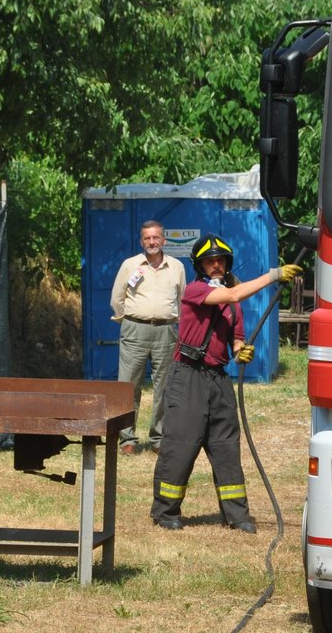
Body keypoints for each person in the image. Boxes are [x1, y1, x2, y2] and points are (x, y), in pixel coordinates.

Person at [150, 236, 301, 532]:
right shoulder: (196, 290)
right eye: (210, 261)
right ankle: (165, 512)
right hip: (188, 376)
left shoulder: (234, 306)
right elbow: (232, 296)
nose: (216, 265)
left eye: (220, 260)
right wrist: (273, 276)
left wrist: (240, 350)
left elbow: (236, 336)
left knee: (225, 447)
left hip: (218, 378)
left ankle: (237, 515)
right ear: (200, 266)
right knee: (181, 444)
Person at [109, 220, 185, 455]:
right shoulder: (130, 265)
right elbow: (116, 299)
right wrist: (130, 321)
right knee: (128, 385)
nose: (152, 242)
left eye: (156, 238)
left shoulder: (177, 267)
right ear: (141, 241)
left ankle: (158, 439)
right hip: (135, 330)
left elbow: (182, 300)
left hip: (166, 331)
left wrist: (175, 324)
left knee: (165, 386)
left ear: (164, 240)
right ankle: (127, 440)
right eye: (147, 238)